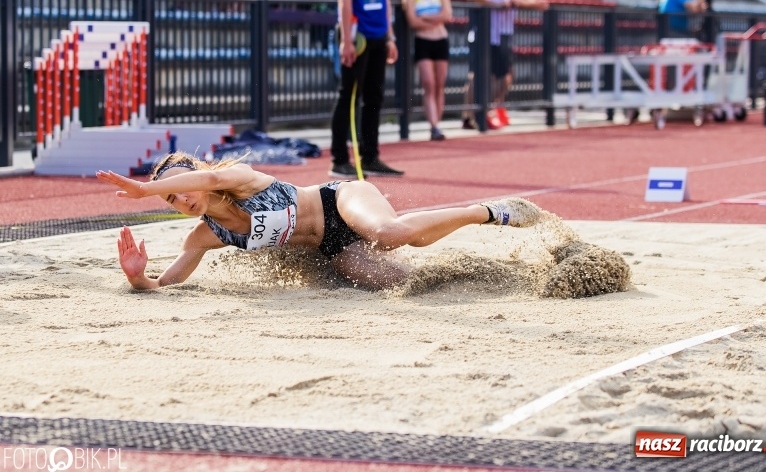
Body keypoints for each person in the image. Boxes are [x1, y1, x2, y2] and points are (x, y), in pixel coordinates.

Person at [95, 152, 543, 291]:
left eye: (183, 186)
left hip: (339, 200)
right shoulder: (209, 234)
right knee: (400, 283)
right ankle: (501, 274)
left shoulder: (240, 180)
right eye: (171, 198)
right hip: (332, 248)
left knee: (391, 234)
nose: (182, 198)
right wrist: (139, 280)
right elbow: (168, 282)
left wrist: (143, 189)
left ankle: (487, 211)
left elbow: (210, 176)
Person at [329, 0, 404, 178]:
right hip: (357, 33)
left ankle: (370, 156)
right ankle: (339, 160)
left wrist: (390, 36)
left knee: (375, 95)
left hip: (379, 33)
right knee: (349, 95)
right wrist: (347, 40)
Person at [466, 0, 549, 115]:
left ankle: (483, 111)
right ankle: (473, 113)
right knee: (483, 75)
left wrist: (534, 3)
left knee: (503, 76)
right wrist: (496, 5)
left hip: (503, 33)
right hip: (489, 34)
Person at [402, 0, 452, 141]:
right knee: (429, 83)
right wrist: (434, 19)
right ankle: (433, 125)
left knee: (440, 84)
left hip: (440, 41)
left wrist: (426, 18)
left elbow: (446, 16)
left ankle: (437, 124)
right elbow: (413, 22)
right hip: (423, 41)